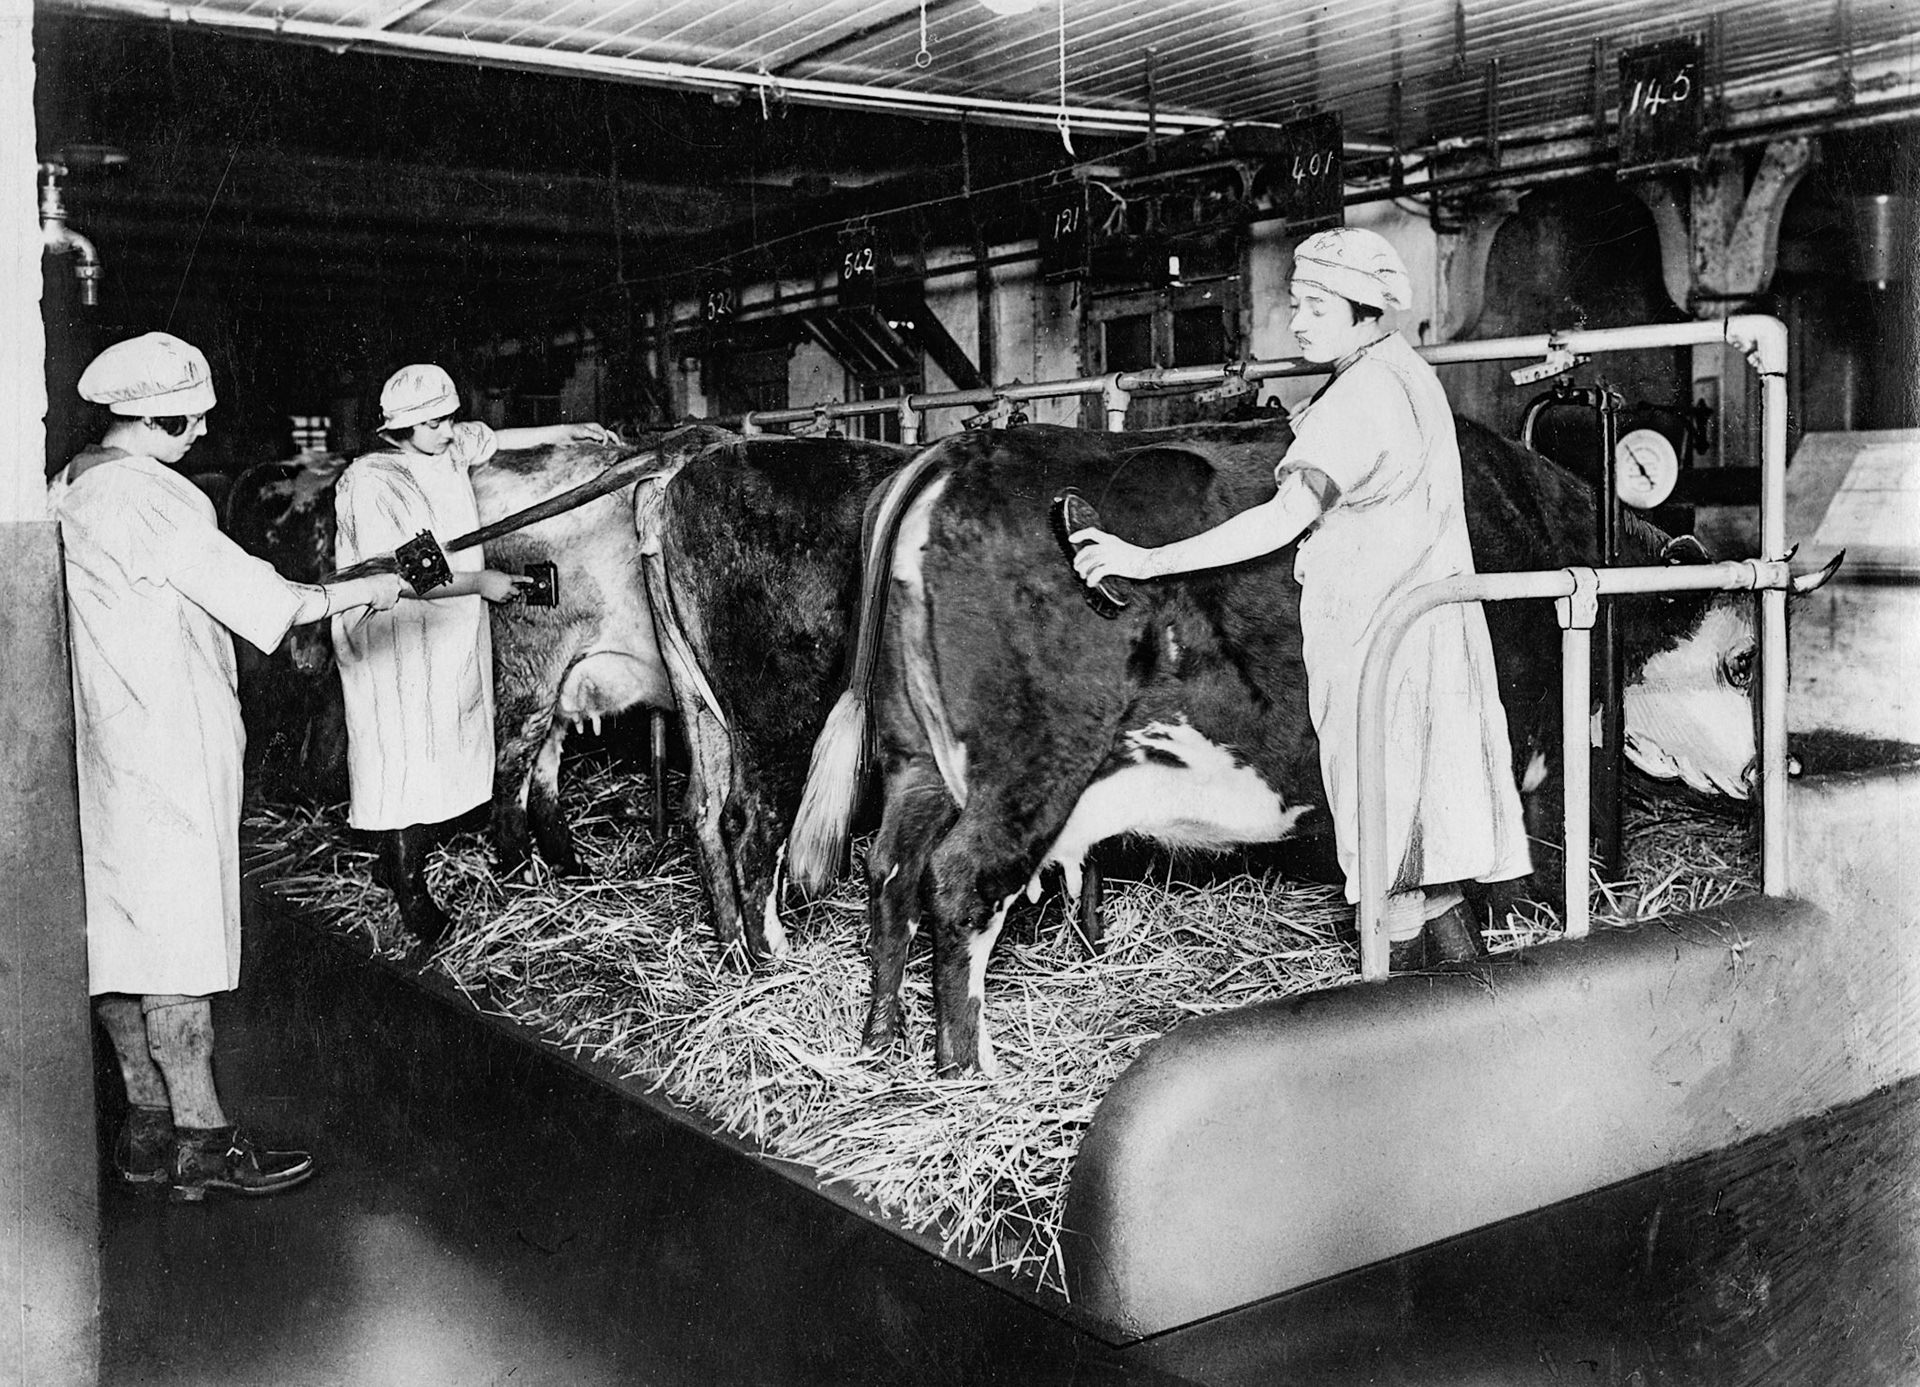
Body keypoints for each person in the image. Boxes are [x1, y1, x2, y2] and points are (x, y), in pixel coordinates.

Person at [1070, 226, 1531, 970]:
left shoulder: (1364, 395)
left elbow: (1285, 517)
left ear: (1362, 308)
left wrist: (1145, 557)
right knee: (1422, 852)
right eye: (1297, 303)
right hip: (1421, 640)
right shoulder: (1402, 373)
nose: (1299, 320)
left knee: (1389, 861)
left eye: (1316, 305)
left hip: (1383, 648)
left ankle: (1395, 1026)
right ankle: (1472, 1012)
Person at [50, 331, 407, 1198]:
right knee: (182, 947)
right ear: (140, 417)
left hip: (99, 738)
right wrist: (375, 583)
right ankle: (205, 1144)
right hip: (168, 740)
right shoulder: (153, 500)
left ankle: (144, 1128)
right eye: (184, 419)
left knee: (123, 939)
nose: (200, 431)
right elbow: (270, 603)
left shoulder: (67, 484)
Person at [331, 363, 618, 951]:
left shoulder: (445, 447)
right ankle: (410, 894)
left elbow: (492, 438)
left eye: (449, 417)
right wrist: (485, 583)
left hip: (448, 630)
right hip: (396, 635)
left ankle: (407, 868)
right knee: (405, 756)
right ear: (403, 427)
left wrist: (569, 432)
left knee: (441, 746)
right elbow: (417, 574)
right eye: (435, 421)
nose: (448, 428)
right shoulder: (373, 480)